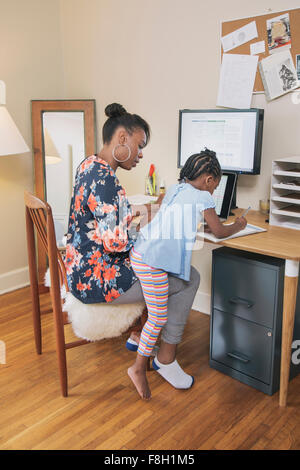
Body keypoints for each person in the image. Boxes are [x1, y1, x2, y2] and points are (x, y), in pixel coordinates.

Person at [65, 103, 200, 399]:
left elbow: (105, 217)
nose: (140, 155)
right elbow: (117, 243)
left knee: (160, 265)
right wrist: (153, 223)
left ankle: (141, 336)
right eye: (139, 146)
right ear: (122, 139)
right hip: (98, 278)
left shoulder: (89, 165)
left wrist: (144, 211)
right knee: (188, 277)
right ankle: (164, 358)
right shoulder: (107, 181)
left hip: (79, 267)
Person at [128, 148, 247, 399]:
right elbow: (218, 232)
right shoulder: (204, 198)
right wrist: (238, 224)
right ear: (209, 180)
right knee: (158, 316)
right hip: (153, 262)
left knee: (186, 280)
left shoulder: (174, 188)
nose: (214, 190)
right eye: (215, 184)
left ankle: (139, 336)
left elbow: (165, 214)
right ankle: (139, 368)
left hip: (141, 251)